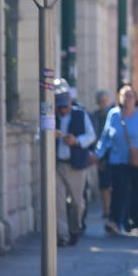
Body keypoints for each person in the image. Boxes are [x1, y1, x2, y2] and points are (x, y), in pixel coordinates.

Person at [95, 85, 138, 236]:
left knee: (136, 193)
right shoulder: (113, 114)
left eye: (131, 95)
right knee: (118, 191)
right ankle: (114, 221)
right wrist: (98, 154)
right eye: (125, 95)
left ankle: (133, 223)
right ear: (119, 98)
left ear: (136, 99)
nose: (128, 99)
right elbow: (105, 136)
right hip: (117, 159)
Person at [53, 84, 96, 247]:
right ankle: (62, 235)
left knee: (77, 202)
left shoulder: (80, 114)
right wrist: (50, 135)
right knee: (58, 201)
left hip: (76, 164)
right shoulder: (51, 115)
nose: (62, 110)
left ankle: (74, 229)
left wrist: (76, 141)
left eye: (65, 107)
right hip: (57, 163)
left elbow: (91, 136)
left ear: (70, 102)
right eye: (59, 107)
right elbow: (38, 135)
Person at [93, 89, 116, 219]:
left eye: (106, 101)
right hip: (101, 154)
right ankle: (106, 209)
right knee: (104, 184)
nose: (104, 104)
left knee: (114, 184)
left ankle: (113, 208)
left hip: (114, 153)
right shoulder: (95, 117)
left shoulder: (115, 114)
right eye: (101, 102)